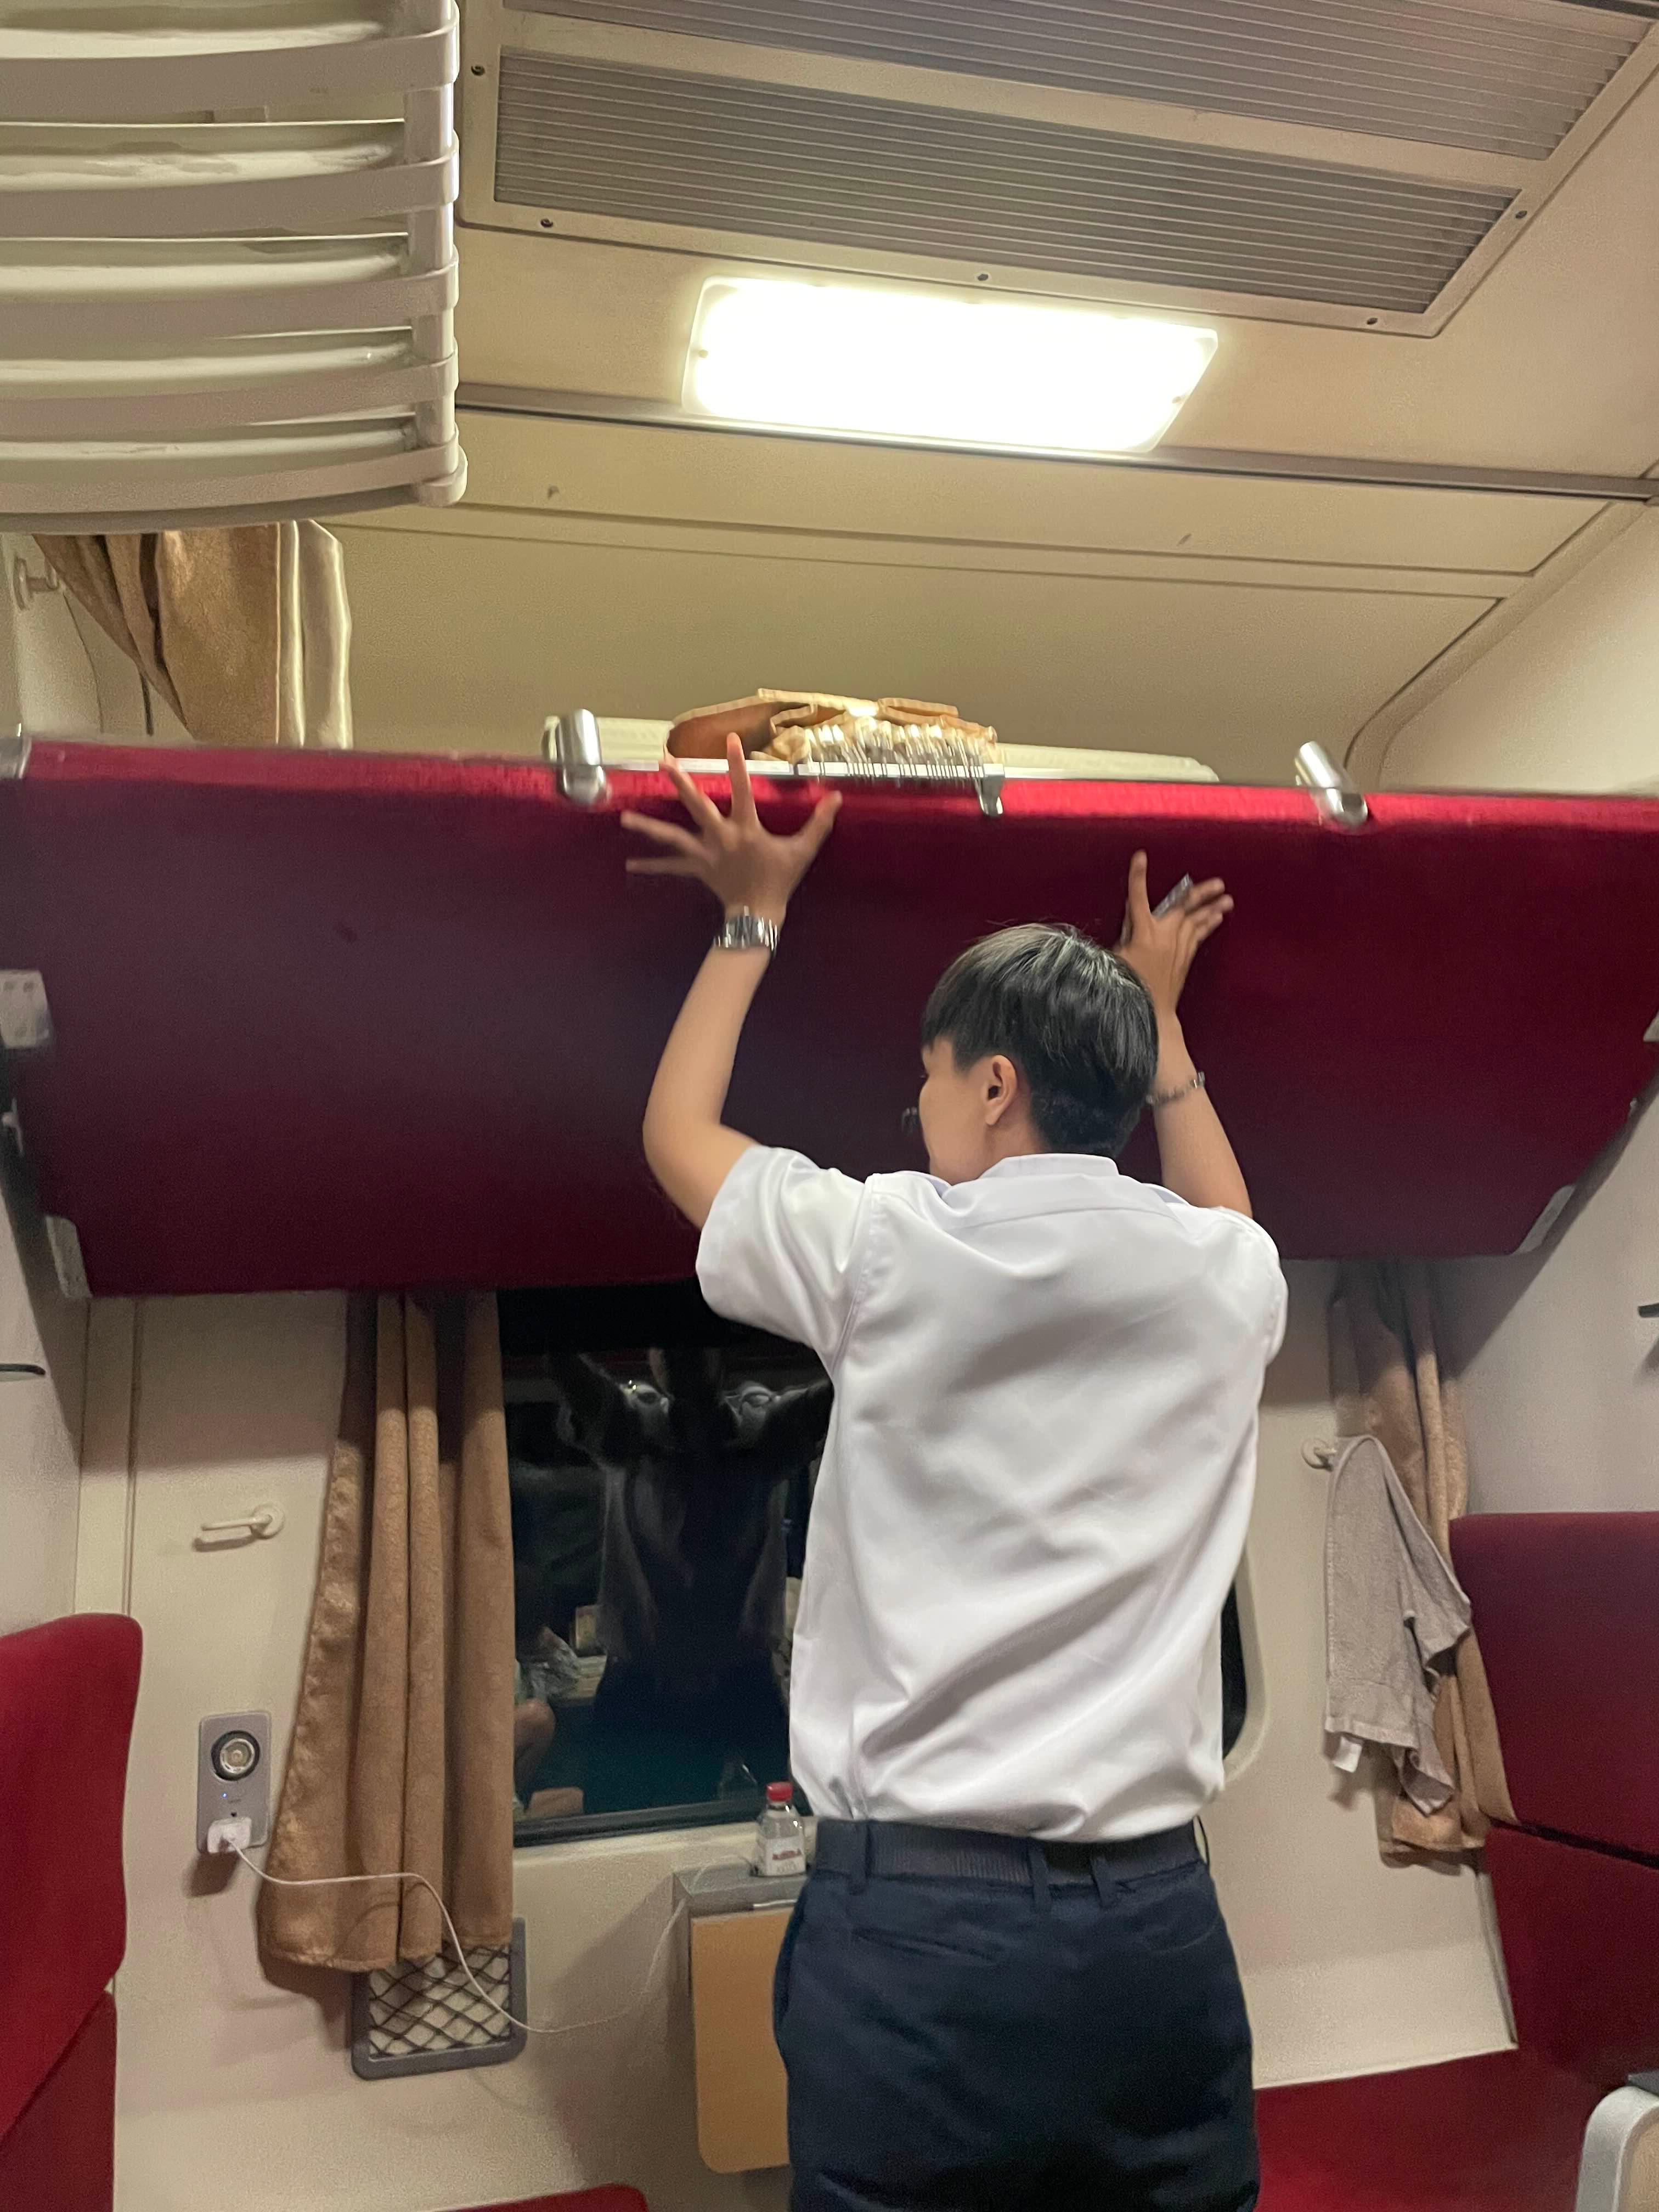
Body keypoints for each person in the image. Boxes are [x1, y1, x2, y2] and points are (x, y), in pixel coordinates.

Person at [623, 740, 1286, 2212]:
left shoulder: (887, 1243)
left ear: (993, 1085)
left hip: (925, 1935)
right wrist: (1157, 1026)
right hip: (1159, 1930)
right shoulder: (1225, 1280)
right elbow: (1229, 1211)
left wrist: (750, 918)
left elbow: (676, 1137)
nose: (914, 1111)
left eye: (927, 1080)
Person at [552, 1346, 832, 1815]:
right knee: (611, 1824)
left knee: (785, 1818)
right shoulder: (642, 1427)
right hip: (663, 1678)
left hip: (721, 1677)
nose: (676, 1351)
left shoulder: (754, 1432)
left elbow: (589, 1397)